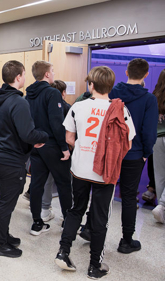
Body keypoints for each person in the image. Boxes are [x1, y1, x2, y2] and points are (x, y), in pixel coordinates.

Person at [55, 66, 136, 279]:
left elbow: (69, 138)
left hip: (80, 169)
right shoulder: (121, 110)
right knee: (100, 218)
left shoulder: (78, 107)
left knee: (75, 210)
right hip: (105, 172)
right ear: (111, 86)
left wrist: (84, 149)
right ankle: (94, 265)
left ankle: (63, 252)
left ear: (91, 84)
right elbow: (128, 142)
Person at [0, 60, 48, 258]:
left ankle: (3, 235)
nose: (24, 77)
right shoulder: (18, 102)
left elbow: (7, 127)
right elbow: (27, 134)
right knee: (7, 202)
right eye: (23, 74)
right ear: (18, 77)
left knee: (6, 199)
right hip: (9, 158)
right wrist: (43, 137)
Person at [108, 58, 158, 253]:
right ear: (146, 75)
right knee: (129, 197)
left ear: (126, 72)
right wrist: (146, 152)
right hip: (133, 154)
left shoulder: (112, 93)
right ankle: (126, 241)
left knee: (103, 193)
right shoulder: (149, 99)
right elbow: (149, 131)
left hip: (111, 152)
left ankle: (90, 230)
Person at [25, 60, 72, 236]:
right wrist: (64, 147)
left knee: (36, 184)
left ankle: (37, 222)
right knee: (64, 183)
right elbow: (56, 122)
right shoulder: (52, 93)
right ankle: (68, 220)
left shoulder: (28, 94)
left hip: (36, 145)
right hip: (52, 145)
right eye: (52, 71)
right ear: (46, 74)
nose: (53, 73)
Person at [40, 79, 71, 222]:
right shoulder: (67, 108)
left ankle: (44, 210)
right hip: (61, 148)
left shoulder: (42, 105)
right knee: (65, 183)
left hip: (44, 147)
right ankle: (68, 217)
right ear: (63, 93)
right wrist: (65, 147)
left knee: (47, 179)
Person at [152, 69, 165, 223]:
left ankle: (161, 210)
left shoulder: (154, 97)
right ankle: (162, 205)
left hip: (157, 139)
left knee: (160, 176)